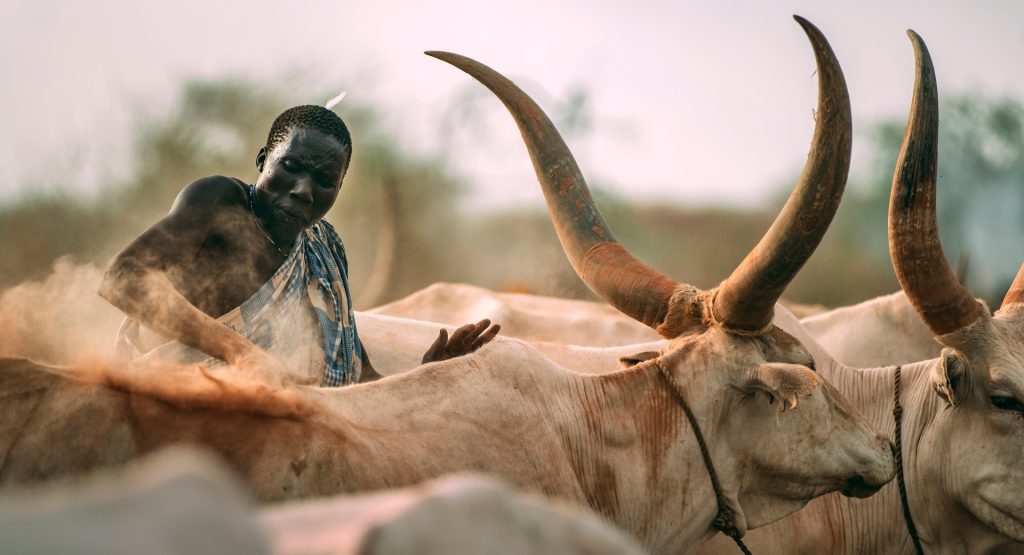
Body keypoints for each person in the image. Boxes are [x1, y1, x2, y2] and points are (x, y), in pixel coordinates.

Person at [99, 104, 499, 386]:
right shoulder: (219, 200)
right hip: (171, 402)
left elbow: (354, 373)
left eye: (325, 181)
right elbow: (123, 278)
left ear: (339, 188)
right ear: (262, 160)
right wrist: (239, 353)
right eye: (291, 167)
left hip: (282, 429)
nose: (304, 191)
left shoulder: (324, 249)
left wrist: (425, 375)